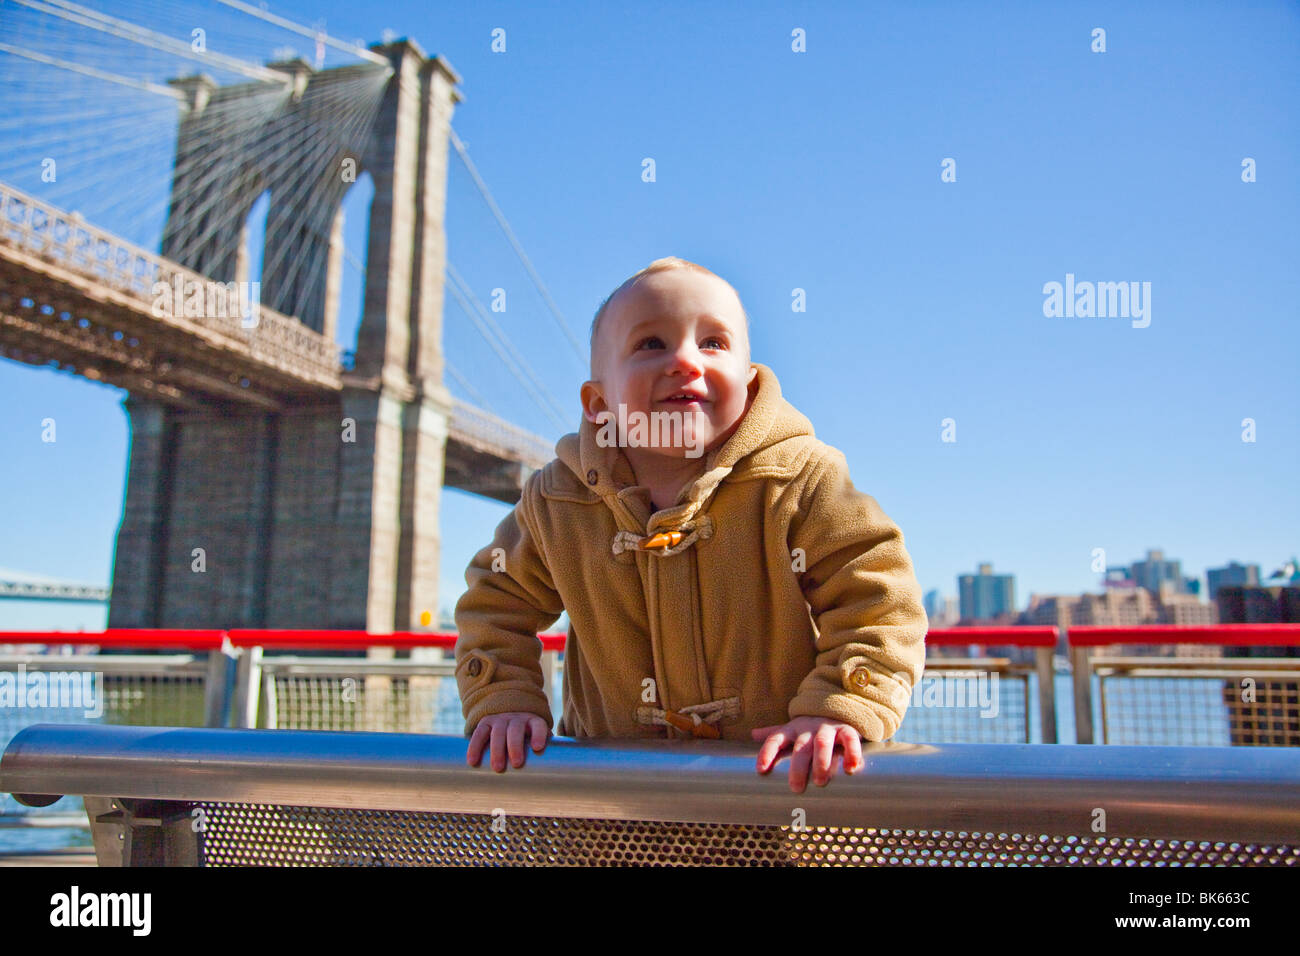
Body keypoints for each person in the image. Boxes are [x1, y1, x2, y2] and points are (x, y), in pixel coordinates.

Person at [454, 256, 927, 793]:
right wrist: (505, 700)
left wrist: (840, 707)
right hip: (613, 814)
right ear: (598, 404)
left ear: (749, 386)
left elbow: (878, 597)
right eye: (651, 344)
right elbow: (495, 603)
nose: (685, 361)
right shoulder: (558, 502)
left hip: (781, 800)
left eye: (713, 343)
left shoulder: (799, 481)